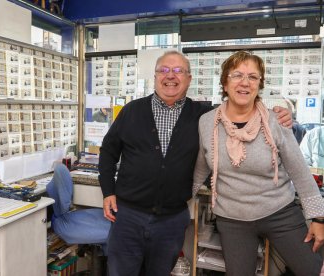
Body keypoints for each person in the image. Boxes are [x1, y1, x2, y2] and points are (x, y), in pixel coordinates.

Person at [98, 50, 293, 276]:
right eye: (164, 70)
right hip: (128, 216)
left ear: (189, 79)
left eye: (179, 71)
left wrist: (280, 115)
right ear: (155, 76)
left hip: (171, 221)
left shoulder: (205, 116)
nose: (171, 76)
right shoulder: (132, 110)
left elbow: (244, 113)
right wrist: (108, 191)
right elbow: (108, 152)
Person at [192, 50, 324, 275]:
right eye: (237, 75)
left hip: (279, 212)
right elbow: (202, 165)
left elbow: (299, 172)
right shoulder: (207, 122)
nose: (245, 82)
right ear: (225, 83)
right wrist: (181, 201)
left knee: (313, 269)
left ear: (259, 85)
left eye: (253, 77)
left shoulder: (275, 121)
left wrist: (319, 218)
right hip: (232, 218)